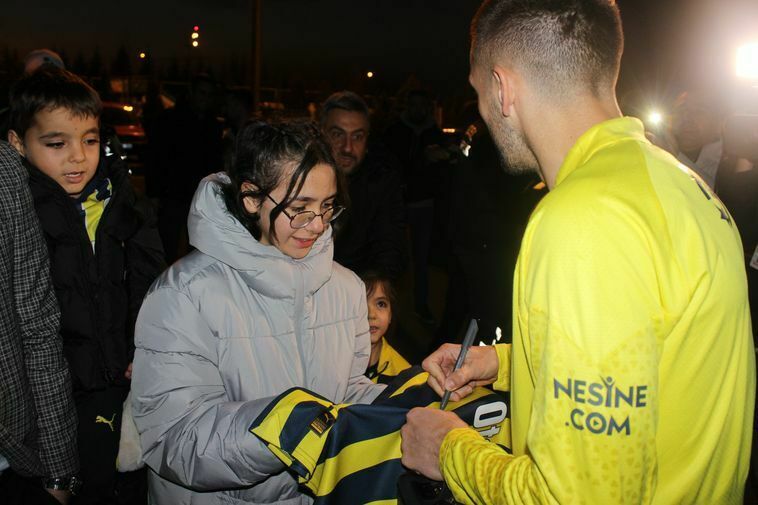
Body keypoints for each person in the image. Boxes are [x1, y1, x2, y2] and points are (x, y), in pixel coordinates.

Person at [400, 1, 755, 504]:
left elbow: (575, 496)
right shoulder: (679, 182)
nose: (481, 109)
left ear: (502, 88)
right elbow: (648, 363)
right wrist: (503, 363)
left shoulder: (582, 219)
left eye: (478, 92)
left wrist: (448, 449)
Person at [130, 120, 385, 503]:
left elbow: (345, 392)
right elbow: (173, 438)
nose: (317, 225)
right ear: (252, 198)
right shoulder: (185, 294)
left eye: (327, 207)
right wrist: (277, 432)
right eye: (300, 208)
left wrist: (406, 402)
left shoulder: (345, 287)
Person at [7, 67, 165, 504]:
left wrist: (143, 345)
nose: (77, 157)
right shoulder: (19, 212)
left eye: (90, 140)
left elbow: (149, 281)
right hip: (51, 392)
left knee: (117, 481)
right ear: (18, 143)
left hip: (118, 378)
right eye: (56, 144)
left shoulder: (118, 199)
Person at [0, 141, 80, 504]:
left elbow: (39, 328)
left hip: (12, 455)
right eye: (57, 143)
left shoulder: (4, 169)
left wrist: (60, 473)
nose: (78, 155)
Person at [320, 91, 407, 279]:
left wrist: (374, 288)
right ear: (321, 134)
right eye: (337, 134)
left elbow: (389, 248)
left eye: (357, 136)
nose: (347, 147)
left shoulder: (381, 182)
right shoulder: (298, 177)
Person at [384, 89, 450, 323]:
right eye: (414, 104)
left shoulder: (436, 133)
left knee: (421, 260)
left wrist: (441, 158)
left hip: (424, 205)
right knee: (394, 257)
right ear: (407, 106)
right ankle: (389, 310)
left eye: (423, 105)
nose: (418, 109)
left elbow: (444, 171)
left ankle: (420, 306)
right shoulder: (395, 132)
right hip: (398, 205)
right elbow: (388, 165)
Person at [146, 73, 224, 263]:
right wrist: (155, 193)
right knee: (167, 245)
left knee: (197, 248)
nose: (204, 99)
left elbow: (214, 161)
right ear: (191, 93)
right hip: (172, 194)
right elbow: (156, 156)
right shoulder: (170, 120)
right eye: (201, 93)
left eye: (209, 95)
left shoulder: (213, 125)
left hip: (199, 196)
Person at [361, 271, 411, 384]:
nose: (371, 314)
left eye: (381, 304)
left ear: (390, 315)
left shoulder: (403, 374)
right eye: (361, 304)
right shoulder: (329, 359)